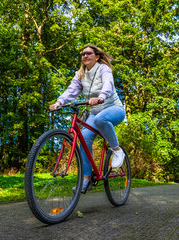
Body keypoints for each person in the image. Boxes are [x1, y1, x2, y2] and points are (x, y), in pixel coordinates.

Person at [49, 44, 126, 193]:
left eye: (89, 53)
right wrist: (59, 102)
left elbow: (108, 85)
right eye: (83, 54)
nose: (85, 56)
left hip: (114, 109)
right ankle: (86, 179)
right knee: (84, 138)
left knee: (100, 120)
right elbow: (71, 91)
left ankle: (117, 150)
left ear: (96, 56)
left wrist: (101, 97)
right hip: (95, 113)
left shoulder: (103, 69)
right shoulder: (81, 74)